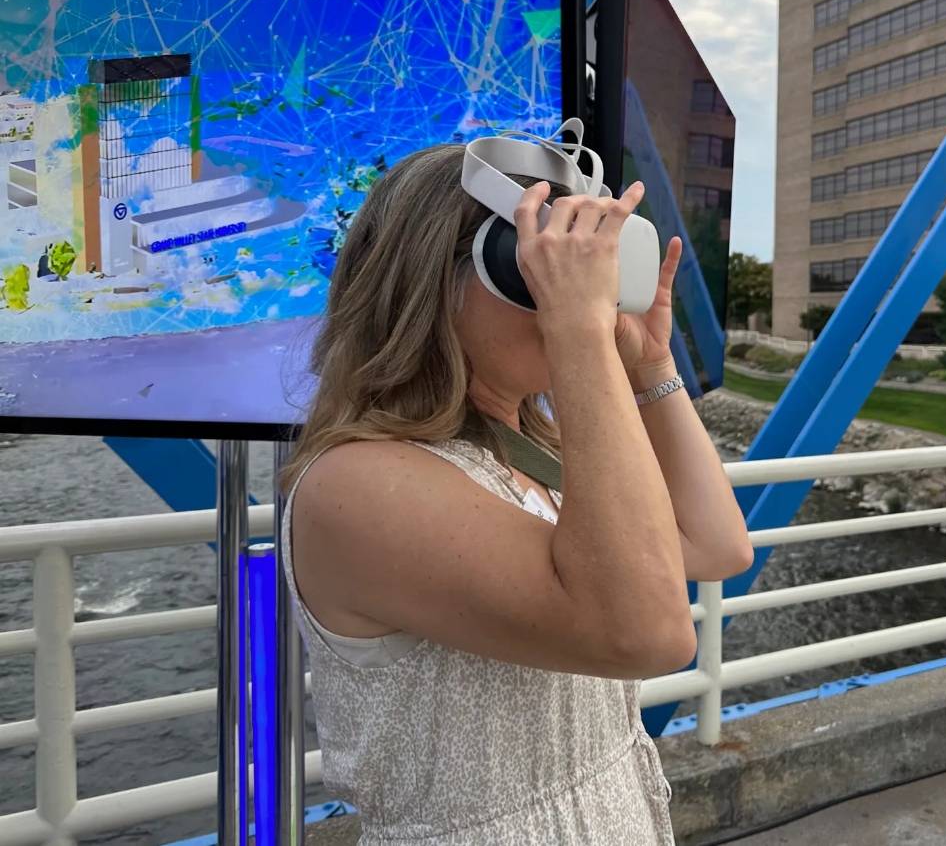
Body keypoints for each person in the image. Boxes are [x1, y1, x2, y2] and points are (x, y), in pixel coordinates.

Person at [280, 143, 753, 845]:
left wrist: (650, 362)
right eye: (537, 263)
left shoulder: (530, 450)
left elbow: (716, 545)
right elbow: (650, 633)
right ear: (430, 281)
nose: (579, 286)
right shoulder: (356, 482)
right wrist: (578, 329)